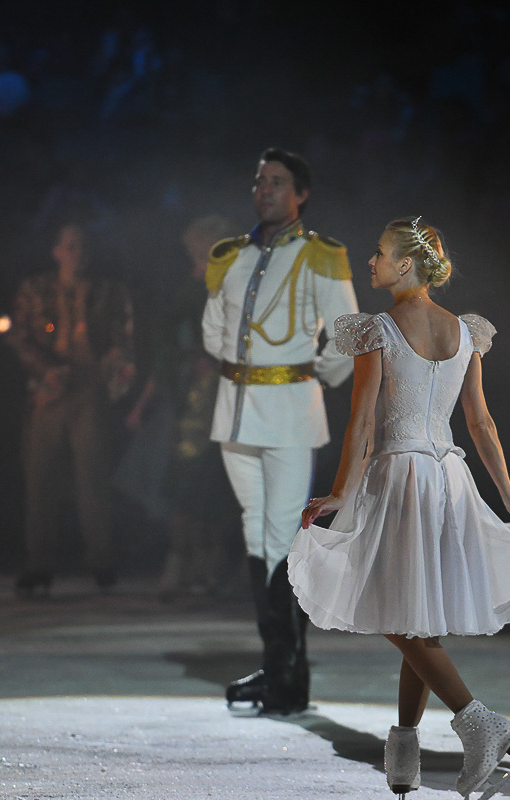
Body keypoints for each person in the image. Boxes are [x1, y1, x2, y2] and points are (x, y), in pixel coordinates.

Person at [288, 217, 510, 800]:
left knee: (386, 603)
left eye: (380, 254)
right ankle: (405, 745)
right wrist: (509, 496)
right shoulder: (464, 331)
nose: (372, 263)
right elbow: (481, 423)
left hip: (399, 475)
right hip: (451, 479)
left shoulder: (379, 331)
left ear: (405, 264)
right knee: (416, 612)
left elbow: (362, 424)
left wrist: (337, 494)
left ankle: (478, 721)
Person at [202, 148, 358, 714]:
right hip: (236, 411)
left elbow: (346, 333)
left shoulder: (320, 255)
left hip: (291, 410)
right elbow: (213, 327)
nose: (263, 189)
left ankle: (289, 677)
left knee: (285, 537)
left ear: (301, 194)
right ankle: (280, 669)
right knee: (258, 535)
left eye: (276, 182)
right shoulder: (232, 256)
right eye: (258, 180)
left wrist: (316, 376)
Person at [9, 224, 134, 595]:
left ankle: (101, 561)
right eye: (69, 246)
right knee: (40, 479)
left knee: (92, 478)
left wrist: (111, 368)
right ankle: (39, 564)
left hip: (89, 391)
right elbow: (20, 336)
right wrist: (46, 370)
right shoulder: (35, 290)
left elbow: (121, 337)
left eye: (82, 247)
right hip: (48, 393)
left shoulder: (109, 291)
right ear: (57, 251)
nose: (76, 253)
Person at [123, 214, 242, 600]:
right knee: (185, 487)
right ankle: (181, 564)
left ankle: (209, 566)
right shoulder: (193, 289)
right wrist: (145, 403)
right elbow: (167, 346)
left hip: (226, 398)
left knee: (214, 488)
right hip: (191, 402)